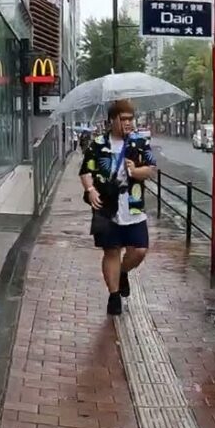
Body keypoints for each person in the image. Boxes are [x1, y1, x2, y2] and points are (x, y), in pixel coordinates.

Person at [79, 99, 157, 316]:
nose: (128, 123)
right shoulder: (98, 144)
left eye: (131, 119)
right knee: (111, 250)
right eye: (123, 119)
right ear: (112, 120)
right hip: (107, 205)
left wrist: (135, 171)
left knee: (139, 250)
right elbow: (85, 171)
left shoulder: (139, 143)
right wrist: (90, 190)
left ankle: (123, 272)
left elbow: (151, 170)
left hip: (133, 206)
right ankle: (114, 296)